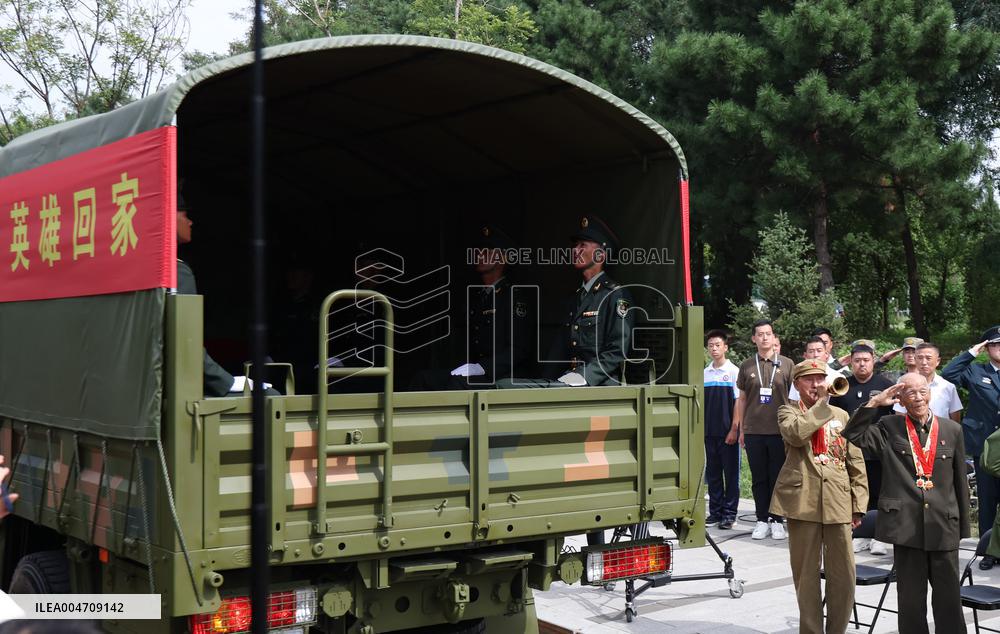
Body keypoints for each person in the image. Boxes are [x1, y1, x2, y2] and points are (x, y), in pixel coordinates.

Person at [843, 374, 971, 634]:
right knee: (911, 600)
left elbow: (960, 482)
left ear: (930, 393)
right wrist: (875, 403)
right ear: (900, 398)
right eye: (910, 393)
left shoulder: (951, 429)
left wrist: (963, 528)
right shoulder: (890, 426)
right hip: (906, 526)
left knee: (948, 598)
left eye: (922, 391)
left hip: (943, 524)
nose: (918, 397)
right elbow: (854, 434)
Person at [772, 360, 867, 634]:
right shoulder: (787, 412)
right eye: (809, 380)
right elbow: (797, 434)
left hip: (838, 500)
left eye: (820, 379)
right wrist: (821, 405)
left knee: (844, 576)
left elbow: (855, 462)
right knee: (806, 577)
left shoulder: (842, 415)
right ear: (797, 384)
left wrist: (858, 504)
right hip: (803, 502)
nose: (816, 385)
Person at [499, 215, 633, 389]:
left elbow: (617, 351)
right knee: (504, 386)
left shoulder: (615, 295)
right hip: (570, 382)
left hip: (599, 385)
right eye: (575, 245)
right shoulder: (575, 299)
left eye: (582, 245)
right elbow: (559, 350)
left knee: (506, 387)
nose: (575, 250)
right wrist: (545, 381)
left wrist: (585, 376)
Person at [412, 226, 534, 389]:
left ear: (503, 258)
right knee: (423, 378)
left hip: (503, 375)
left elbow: (519, 349)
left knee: (457, 384)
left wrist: (483, 368)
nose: (480, 254)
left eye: (488, 250)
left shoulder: (513, 297)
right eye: (480, 250)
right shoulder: (478, 297)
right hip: (477, 371)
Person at [941, 325, 1000, 569]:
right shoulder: (976, 371)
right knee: (988, 499)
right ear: (987, 348)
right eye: (995, 344)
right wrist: (972, 352)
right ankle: (989, 551)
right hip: (985, 446)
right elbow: (948, 373)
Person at [830, 339, 895, 556]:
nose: (862, 365)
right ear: (851, 362)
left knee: (878, 493)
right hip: (849, 448)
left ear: (874, 361)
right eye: (857, 361)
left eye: (866, 360)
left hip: (877, 450)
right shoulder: (841, 385)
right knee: (856, 494)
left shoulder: (885, 384)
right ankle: (861, 534)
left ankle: (879, 536)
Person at [734, 319, 793, 540]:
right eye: (760, 334)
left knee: (777, 476)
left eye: (768, 334)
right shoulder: (747, 365)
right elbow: (741, 399)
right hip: (754, 430)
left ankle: (777, 520)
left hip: (780, 430)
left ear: (774, 337)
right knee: (759, 477)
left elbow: (794, 398)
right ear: (754, 338)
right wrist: (740, 429)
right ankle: (761, 519)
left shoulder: (787, 364)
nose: (765, 337)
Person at [176, 197, 237, 397]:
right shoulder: (177, 271)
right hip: (178, 385)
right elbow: (185, 339)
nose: (190, 221)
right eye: (184, 215)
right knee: (272, 396)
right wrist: (226, 382)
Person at [704, 329, 741, 530]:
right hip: (709, 433)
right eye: (711, 345)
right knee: (714, 473)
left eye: (718, 345)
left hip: (728, 433)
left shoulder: (734, 372)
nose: (714, 348)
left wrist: (734, 429)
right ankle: (715, 512)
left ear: (726, 347)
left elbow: (738, 402)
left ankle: (730, 514)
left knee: (731, 474)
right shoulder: (704, 373)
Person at [892, 342, 962, 422]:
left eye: (928, 358)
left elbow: (955, 421)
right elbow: (900, 415)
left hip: (942, 433)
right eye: (920, 358)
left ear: (938, 361)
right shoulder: (904, 384)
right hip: (912, 433)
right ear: (915, 359)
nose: (924, 362)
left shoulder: (948, 387)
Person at [788, 336, 843, 401]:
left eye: (819, 351)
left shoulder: (838, 377)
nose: (815, 355)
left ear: (826, 354)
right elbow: (794, 402)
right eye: (811, 351)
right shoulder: (799, 378)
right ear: (805, 356)